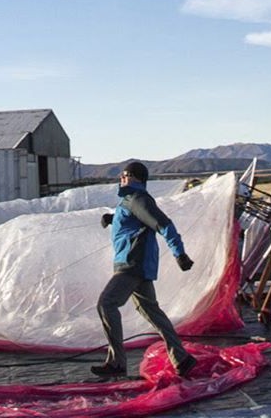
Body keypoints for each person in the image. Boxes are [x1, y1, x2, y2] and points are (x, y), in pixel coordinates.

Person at [92, 160, 197, 380]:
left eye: (126, 174)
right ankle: (182, 358)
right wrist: (113, 219)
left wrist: (180, 254)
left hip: (132, 264)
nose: (122, 177)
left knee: (107, 303)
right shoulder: (129, 200)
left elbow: (163, 224)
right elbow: (136, 221)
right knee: (152, 313)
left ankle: (117, 362)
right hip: (135, 264)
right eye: (121, 174)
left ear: (137, 178)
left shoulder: (138, 198)